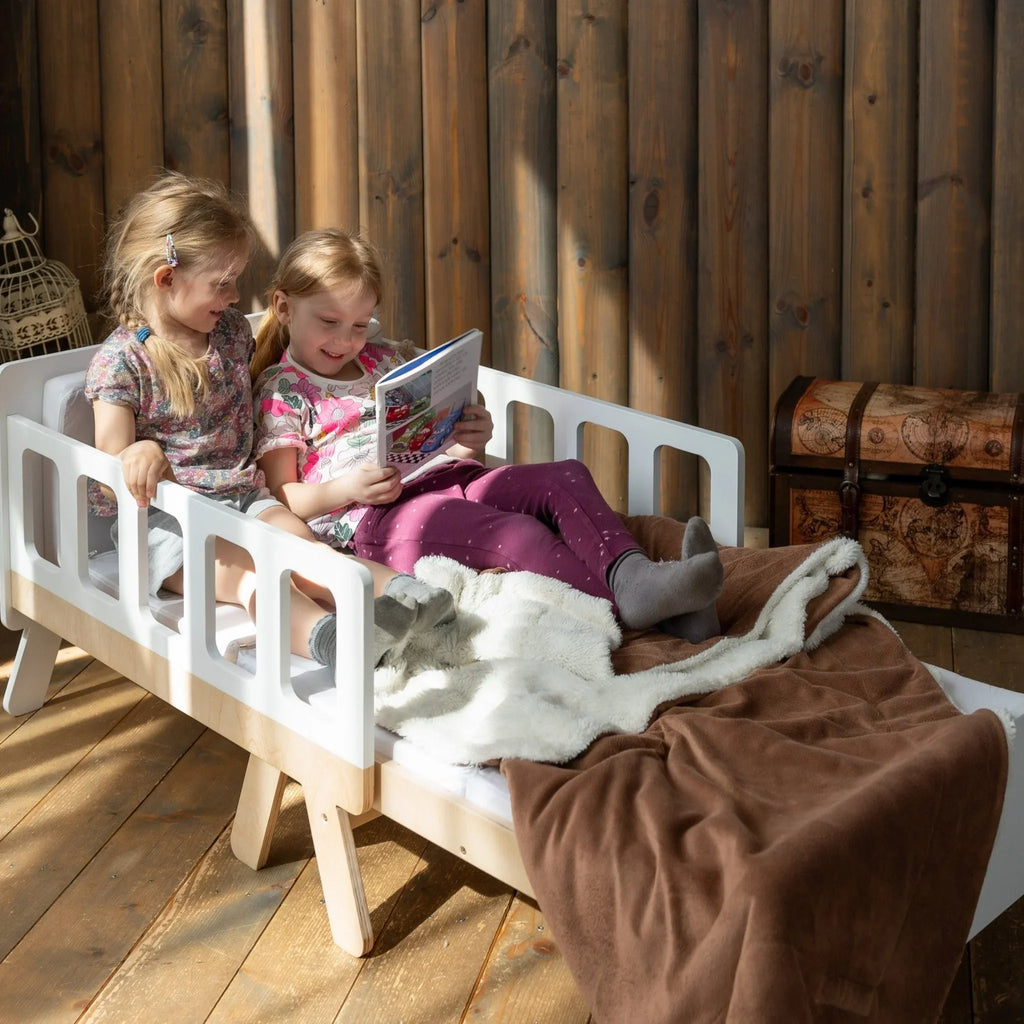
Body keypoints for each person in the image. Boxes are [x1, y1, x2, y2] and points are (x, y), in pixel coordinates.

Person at [251, 229, 724, 642]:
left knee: (565, 475)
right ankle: (645, 613)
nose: (346, 340)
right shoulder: (283, 390)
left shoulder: (382, 359)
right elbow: (281, 497)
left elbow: (430, 439)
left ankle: (639, 580)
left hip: (449, 475)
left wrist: (467, 438)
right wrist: (347, 488)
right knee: (517, 534)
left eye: (360, 324)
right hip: (375, 518)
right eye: (329, 323)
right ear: (284, 308)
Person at [84, 172, 455, 670]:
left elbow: (270, 380)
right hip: (166, 524)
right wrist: (136, 452)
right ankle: (331, 640)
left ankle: (411, 596)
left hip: (243, 495)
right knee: (256, 572)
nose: (236, 295)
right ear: (166, 278)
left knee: (304, 547)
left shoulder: (231, 333)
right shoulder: (122, 361)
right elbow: (108, 468)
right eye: (223, 283)